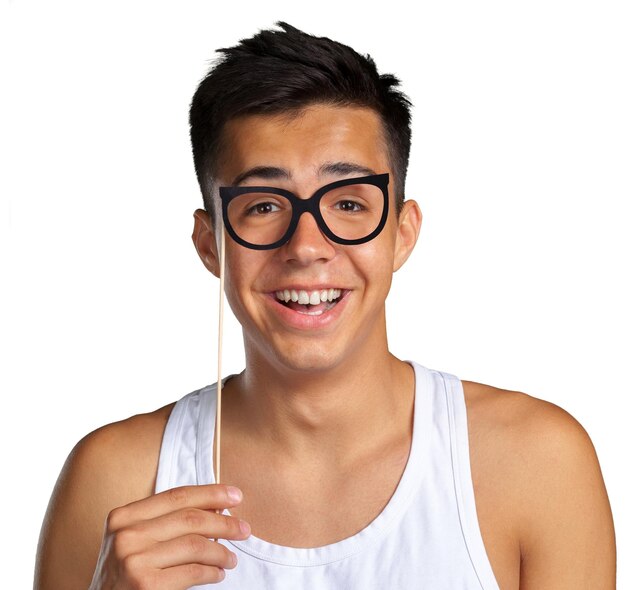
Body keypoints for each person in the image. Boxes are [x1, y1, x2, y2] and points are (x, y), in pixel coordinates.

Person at [34, 21, 616, 590]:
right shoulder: (114, 480)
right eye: (263, 205)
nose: (307, 246)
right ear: (211, 242)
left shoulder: (537, 465)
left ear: (403, 233)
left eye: (349, 204)